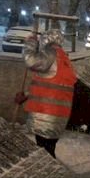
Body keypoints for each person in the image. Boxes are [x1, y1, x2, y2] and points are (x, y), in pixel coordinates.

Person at [14, 29, 77, 158]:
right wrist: (26, 95)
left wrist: (30, 43)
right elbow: (49, 85)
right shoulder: (63, 58)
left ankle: (55, 177)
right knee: (48, 150)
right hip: (58, 117)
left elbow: (30, 61)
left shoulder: (50, 53)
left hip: (45, 116)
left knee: (45, 153)